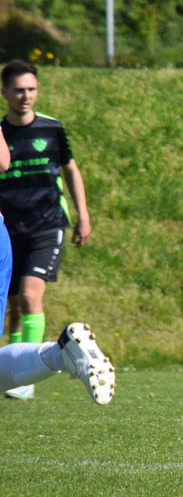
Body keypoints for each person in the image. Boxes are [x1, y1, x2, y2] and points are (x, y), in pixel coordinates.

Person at [1, 60, 92, 401]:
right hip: (9, 228)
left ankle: (26, 380)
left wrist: (83, 214)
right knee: (14, 307)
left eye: (31, 89)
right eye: (19, 90)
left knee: (29, 295)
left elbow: (71, 170)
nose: (25, 96)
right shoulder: (1, 133)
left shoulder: (52, 129)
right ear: (4, 92)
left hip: (47, 224)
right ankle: (14, 373)